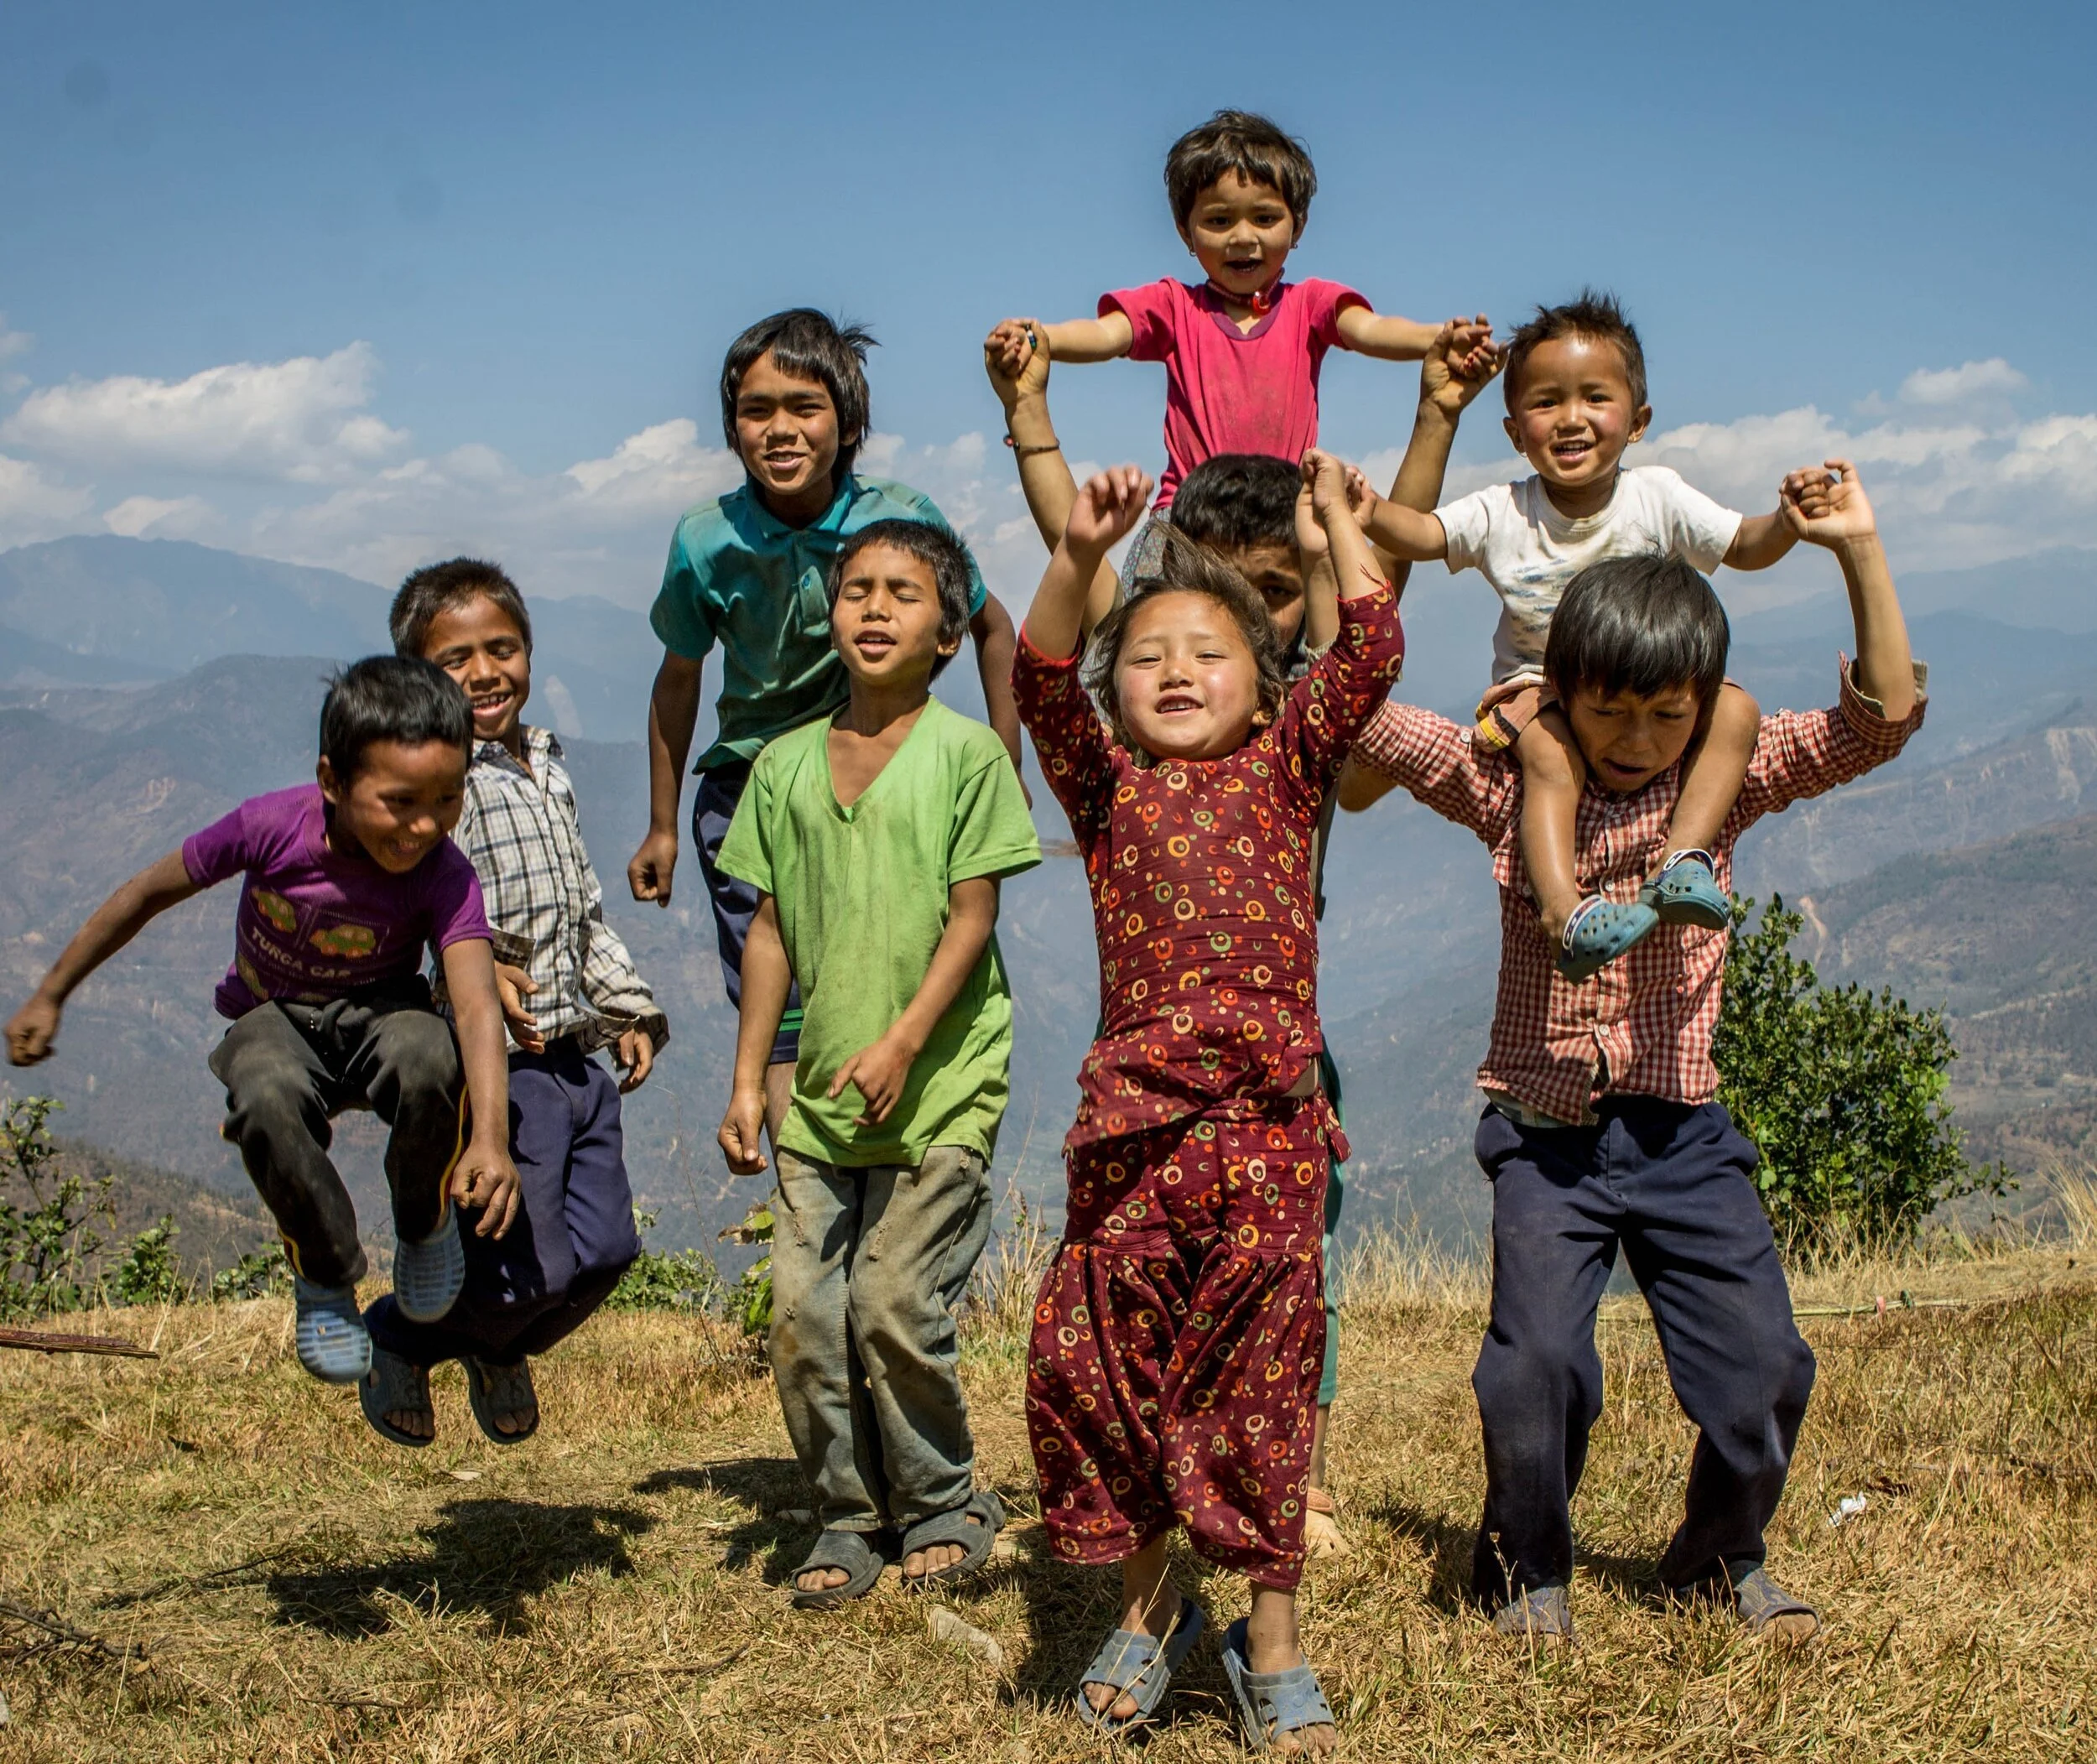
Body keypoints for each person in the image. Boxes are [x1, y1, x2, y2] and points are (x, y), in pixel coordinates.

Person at [1341, 461, 1925, 1645]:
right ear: (1558, 693)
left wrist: (1858, 548)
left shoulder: (1733, 776)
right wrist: (1337, 554)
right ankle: (1523, 1568)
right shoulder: (1507, 782)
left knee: (1766, 1365)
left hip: (1683, 1134)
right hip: (1547, 1145)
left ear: (1707, 706)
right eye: (1609, 709)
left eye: (1669, 714)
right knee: (1533, 1368)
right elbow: (1356, 716)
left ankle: (1720, 1559)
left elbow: (1878, 724)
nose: (1638, 736)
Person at [984, 323, 1499, 1561]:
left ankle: (1277, 1475)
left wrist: (1365, 503)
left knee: (1282, 1280)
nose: (1218, 629)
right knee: (1149, 1277)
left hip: (1272, 1063)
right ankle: (1176, 1472)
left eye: (1260, 601)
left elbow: (1373, 626)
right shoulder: (1140, 728)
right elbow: (1060, 657)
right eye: (1186, 608)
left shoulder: (1295, 726)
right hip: (1151, 1075)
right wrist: (1041, 441)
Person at [1014, 451, 1401, 1753]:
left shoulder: (1290, 775)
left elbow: (1373, 656)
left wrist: (1344, 528)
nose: (1177, 668)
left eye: (1212, 650)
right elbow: (1035, 679)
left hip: (1271, 1132)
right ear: (1118, 698)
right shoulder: (1108, 791)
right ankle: (1150, 1610)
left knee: (1266, 1382)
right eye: (1150, 654)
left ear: (1264, 688)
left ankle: (1271, 1640)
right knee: (1116, 1370)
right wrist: (1078, 557)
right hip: (1131, 1138)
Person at [3, 658, 518, 1387]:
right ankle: (326, 1271)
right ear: (332, 781)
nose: (426, 823)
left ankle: (424, 1221)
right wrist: (52, 992)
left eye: (448, 796)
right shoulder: (269, 828)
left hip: (382, 1016)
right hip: (273, 1017)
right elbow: (146, 893)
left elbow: (473, 1002)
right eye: (400, 800)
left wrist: (490, 1139)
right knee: (262, 1091)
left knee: (431, 1054)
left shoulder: (444, 872)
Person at [713, 519, 1040, 1611]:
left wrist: (904, 1042)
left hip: (940, 1080)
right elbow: (767, 930)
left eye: (904, 591)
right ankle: (851, 1512)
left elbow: (973, 912)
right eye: (857, 586)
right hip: (818, 1095)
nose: (874, 605)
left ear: (948, 636)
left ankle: (944, 1499)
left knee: (895, 1299)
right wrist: (749, 1072)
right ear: (827, 612)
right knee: (808, 1311)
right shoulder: (784, 763)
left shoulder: (968, 756)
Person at [630, 308, 1024, 1156]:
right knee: (777, 1009)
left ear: (848, 423)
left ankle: (897, 1171)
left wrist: (1003, 757)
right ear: (731, 424)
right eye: (755, 408)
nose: (779, 429)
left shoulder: (897, 521)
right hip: (751, 791)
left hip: (887, 776)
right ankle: (803, 1195)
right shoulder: (707, 540)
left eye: (803, 407)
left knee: (892, 980)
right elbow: (678, 675)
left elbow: (995, 629)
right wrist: (663, 823)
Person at [1350, 290, 1824, 981]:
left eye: (1594, 397)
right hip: (1535, 690)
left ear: (1637, 422)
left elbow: (1745, 544)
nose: (1570, 418)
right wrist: (1368, 511)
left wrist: (1787, 519)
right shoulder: (1503, 509)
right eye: (1546, 403)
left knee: (1739, 710)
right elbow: (1425, 535)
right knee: (1548, 750)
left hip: (1641, 682)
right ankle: (1563, 910)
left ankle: (1683, 860)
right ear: (1515, 432)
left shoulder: (1658, 496)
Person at [356, 559, 668, 1448]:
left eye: (503, 648)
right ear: (419, 676)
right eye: (456, 658)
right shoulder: (437, 783)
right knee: (530, 1272)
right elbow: (396, 899)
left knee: (607, 1253)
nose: (485, 672)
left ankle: (494, 1349)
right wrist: (471, 963)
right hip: (500, 1067)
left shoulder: (546, 765)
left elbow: (581, 910)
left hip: (574, 1055)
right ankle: (399, 1334)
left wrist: (630, 1009)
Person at [986, 107, 1492, 580]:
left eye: (1265, 218)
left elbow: (1371, 330)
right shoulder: (1173, 305)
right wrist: (1040, 337)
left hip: (1285, 519)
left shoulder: (1310, 303)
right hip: (1185, 522)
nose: (1243, 237)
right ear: (1186, 232)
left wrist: (1437, 337)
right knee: (1147, 637)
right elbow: (1105, 334)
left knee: (1318, 648)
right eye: (1219, 220)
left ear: (1298, 226)